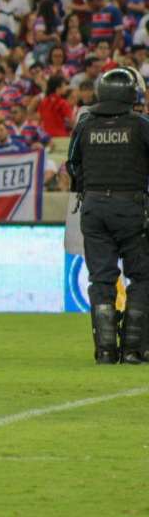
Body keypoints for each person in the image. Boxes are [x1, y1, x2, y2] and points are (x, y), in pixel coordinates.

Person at [66, 68, 149, 365]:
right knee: (141, 276)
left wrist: (90, 188)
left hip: (94, 207)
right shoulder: (140, 125)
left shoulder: (86, 124)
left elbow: (72, 165)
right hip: (131, 207)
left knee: (101, 278)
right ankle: (132, 349)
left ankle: (104, 350)